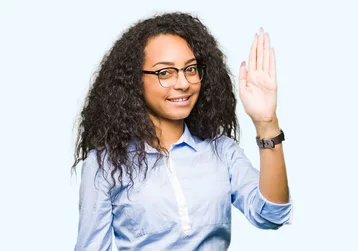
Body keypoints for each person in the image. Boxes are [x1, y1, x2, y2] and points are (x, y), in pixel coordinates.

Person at [72, 12, 292, 250]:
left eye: (190, 69)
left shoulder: (221, 151)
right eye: (164, 72)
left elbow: (272, 215)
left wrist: (266, 122)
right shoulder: (105, 164)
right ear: (135, 81)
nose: (183, 83)